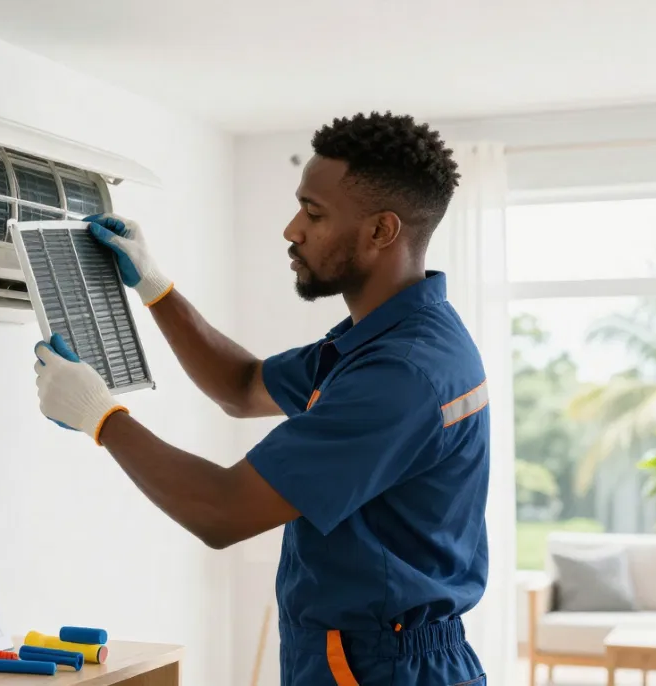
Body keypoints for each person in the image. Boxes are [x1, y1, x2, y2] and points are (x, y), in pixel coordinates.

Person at [31, 111, 490, 686]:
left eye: (314, 214)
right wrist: (155, 287)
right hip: (364, 655)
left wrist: (102, 418)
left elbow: (223, 512)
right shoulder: (388, 339)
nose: (292, 229)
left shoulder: (401, 375)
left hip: (382, 669)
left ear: (381, 231)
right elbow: (244, 387)